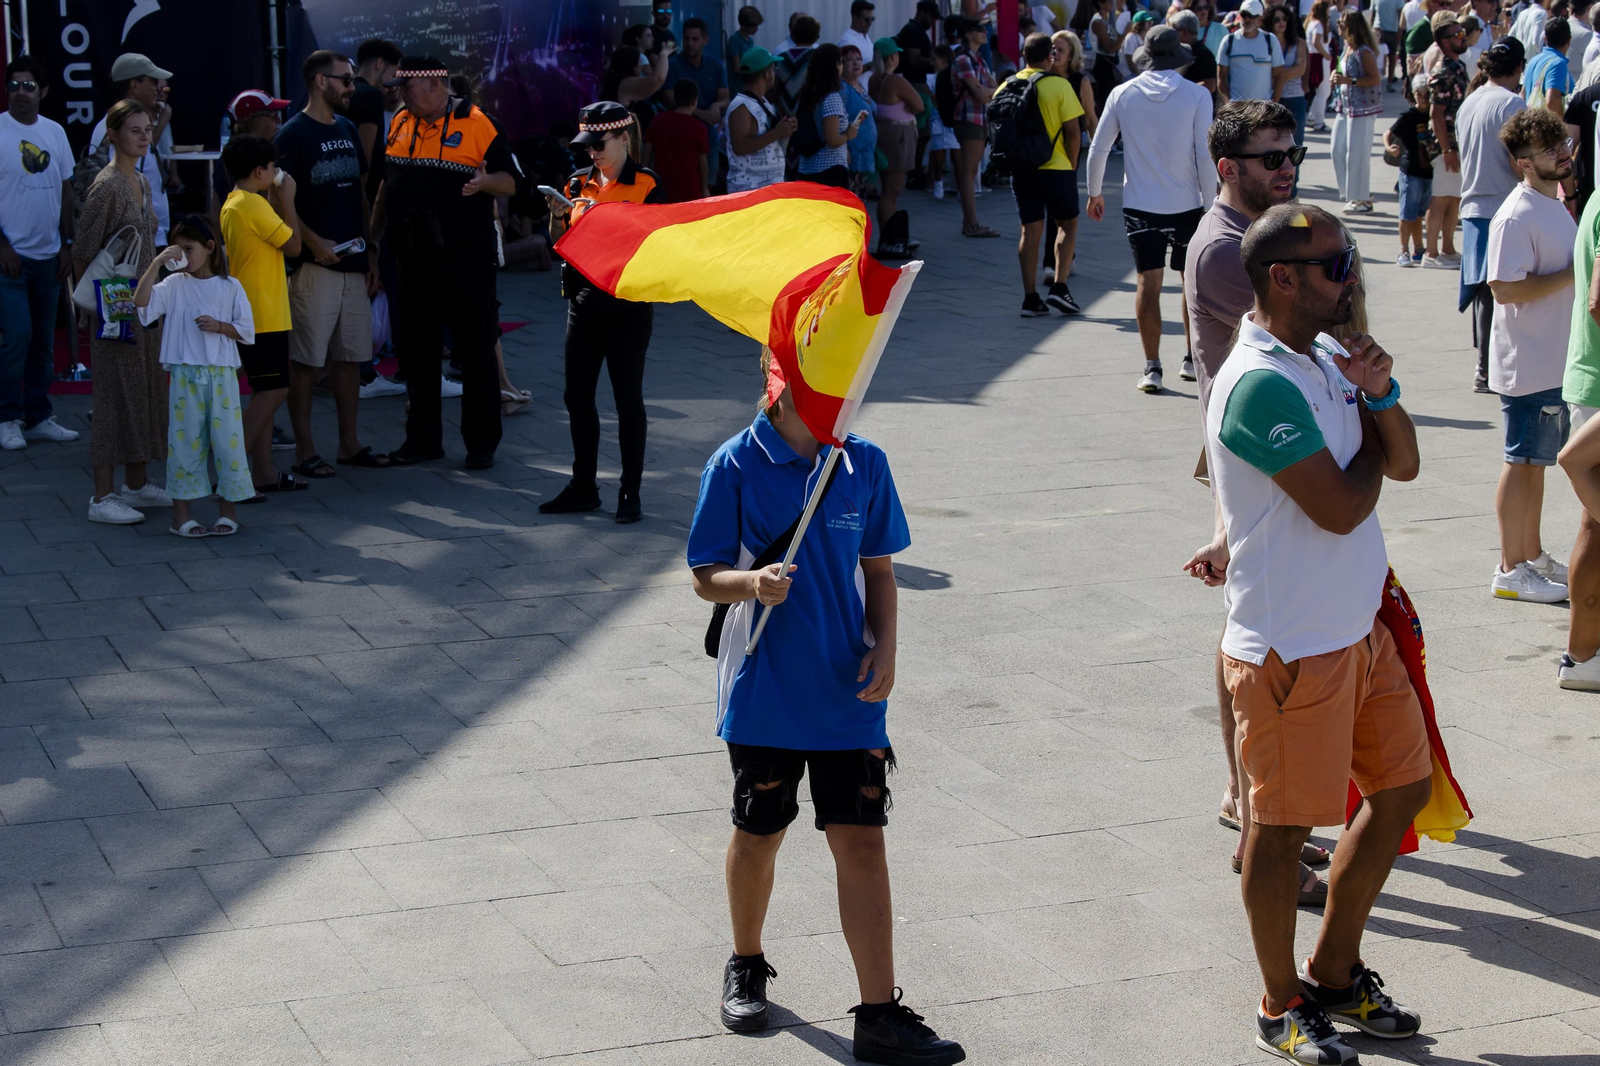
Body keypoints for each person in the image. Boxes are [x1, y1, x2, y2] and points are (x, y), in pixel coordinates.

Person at [689, 351, 964, 1066]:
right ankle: (746, 963)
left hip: (849, 690)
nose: (839, 404)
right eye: (821, 391)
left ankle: (879, 1014)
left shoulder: (862, 462)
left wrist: (887, 647)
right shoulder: (733, 464)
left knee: (863, 841)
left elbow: (881, 571)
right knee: (760, 832)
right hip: (764, 687)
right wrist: (751, 582)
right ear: (779, 391)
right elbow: (705, 576)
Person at [1210, 202, 1428, 1066]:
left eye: (1351, 261)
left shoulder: (1331, 357)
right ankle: (1280, 1003)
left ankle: (1333, 973)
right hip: (1291, 648)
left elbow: (1406, 462)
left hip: (1357, 632)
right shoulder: (1257, 382)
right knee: (1281, 832)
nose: (1352, 279)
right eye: (1337, 266)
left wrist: (1382, 396)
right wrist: (1370, 430)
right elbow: (1341, 509)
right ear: (1283, 278)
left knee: (1402, 791)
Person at [1184, 101, 1329, 900]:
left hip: (1260, 448)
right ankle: (1257, 820)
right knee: (1257, 638)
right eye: (1271, 157)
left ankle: (1249, 800)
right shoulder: (1226, 250)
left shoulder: (1259, 235)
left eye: (1291, 152)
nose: (1287, 167)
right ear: (1227, 167)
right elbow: (1313, 324)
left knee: (1251, 626)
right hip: (1257, 454)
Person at [371, 56, 518, 471]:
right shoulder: (401, 122)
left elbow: (511, 181)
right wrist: (372, 240)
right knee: (417, 351)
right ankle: (422, 439)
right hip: (412, 256)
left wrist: (485, 182)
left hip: (465, 258)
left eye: (407, 87)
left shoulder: (478, 122)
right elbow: (386, 185)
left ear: (435, 84)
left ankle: (481, 443)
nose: (401, 95)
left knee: (475, 349)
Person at [542, 102, 665, 524]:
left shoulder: (647, 183)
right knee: (576, 396)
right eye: (587, 146)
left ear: (623, 139)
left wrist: (611, 222)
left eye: (599, 144)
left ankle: (630, 491)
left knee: (627, 399)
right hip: (583, 300)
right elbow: (558, 244)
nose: (592, 153)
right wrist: (558, 217)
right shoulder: (578, 182)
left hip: (627, 304)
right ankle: (583, 486)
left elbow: (658, 246)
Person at [276, 49, 390, 477]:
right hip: (313, 268)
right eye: (345, 79)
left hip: (354, 264)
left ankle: (349, 444)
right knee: (306, 361)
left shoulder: (346, 128)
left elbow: (359, 191)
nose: (351, 87)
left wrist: (371, 249)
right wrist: (312, 240)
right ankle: (304, 451)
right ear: (320, 81)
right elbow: (278, 202)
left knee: (351, 358)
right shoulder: (291, 135)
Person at [1087, 25, 1217, 393]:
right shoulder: (1197, 95)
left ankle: (1151, 367)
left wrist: (1095, 192)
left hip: (1140, 204)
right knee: (1191, 283)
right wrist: (1212, 205)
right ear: (1178, 56)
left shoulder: (1122, 93)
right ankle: (1191, 359)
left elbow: (1099, 148)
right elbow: (1204, 155)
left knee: (1147, 283)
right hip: (1188, 204)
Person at [1485, 108, 1577, 602]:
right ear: (1524, 163)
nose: (1562, 153)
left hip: (1550, 359)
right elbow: (1503, 287)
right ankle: (1509, 568)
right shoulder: (1516, 214)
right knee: (1520, 463)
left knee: (1535, 465)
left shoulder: (1551, 201)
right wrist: (1575, 274)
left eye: (1563, 143)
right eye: (1550, 149)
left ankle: (1532, 555)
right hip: (1528, 363)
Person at [74, 100, 173, 524]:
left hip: (143, 304)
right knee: (113, 396)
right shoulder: (108, 185)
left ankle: (136, 483)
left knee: (144, 389)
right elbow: (83, 250)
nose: (145, 136)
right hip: (114, 304)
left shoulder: (142, 181)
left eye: (148, 129)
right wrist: (90, 307)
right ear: (113, 135)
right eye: (135, 130)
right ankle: (101, 497)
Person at [132, 217, 254, 537]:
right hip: (185, 374)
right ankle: (181, 516)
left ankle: (228, 512)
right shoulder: (175, 284)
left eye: (189, 249)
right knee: (184, 443)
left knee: (228, 443)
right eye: (179, 250)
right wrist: (157, 262)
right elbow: (141, 302)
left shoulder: (230, 286)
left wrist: (220, 326)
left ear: (210, 247)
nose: (183, 256)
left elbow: (246, 330)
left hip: (222, 374)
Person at [219, 133, 305, 496]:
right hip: (262, 313)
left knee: (263, 390)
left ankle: (263, 472)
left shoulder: (237, 201)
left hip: (256, 310)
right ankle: (231, 470)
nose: (276, 171)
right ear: (259, 171)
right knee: (275, 390)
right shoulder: (252, 205)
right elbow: (294, 245)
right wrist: (288, 200)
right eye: (272, 167)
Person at [0, 56, 78, 452]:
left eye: (28, 86)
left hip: (50, 257)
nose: (20, 93)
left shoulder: (55, 132)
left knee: (43, 344)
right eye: (13, 86)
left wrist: (68, 244)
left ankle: (37, 417)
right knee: (17, 337)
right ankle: (7, 418)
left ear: (43, 91)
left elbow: (66, 190)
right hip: (9, 258)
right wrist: (1, 245)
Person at [1459, 37, 1530, 392]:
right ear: (1519, 68)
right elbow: (1520, 162)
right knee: (1501, 291)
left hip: (1473, 207)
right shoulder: (1512, 103)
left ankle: (1484, 367)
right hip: (1504, 208)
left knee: (1483, 292)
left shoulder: (1470, 101)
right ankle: (1488, 368)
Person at [1003, 32, 1086, 316]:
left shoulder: (1007, 84)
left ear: (1024, 55)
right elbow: (1073, 133)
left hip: (1022, 169)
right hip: (1057, 168)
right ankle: (1060, 287)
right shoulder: (1059, 85)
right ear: (1049, 56)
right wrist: (1072, 166)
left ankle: (1030, 298)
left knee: (1029, 231)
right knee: (1067, 225)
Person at [89, 54, 174, 246]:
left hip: (148, 239)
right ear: (134, 86)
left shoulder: (133, 125)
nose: (158, 88)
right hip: (132, 244)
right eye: (153, 82)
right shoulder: (113, 129)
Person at [869, 37, 926, 258]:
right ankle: (890, 238)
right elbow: (919, 105)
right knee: (891, 192)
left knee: (888, 190)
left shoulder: (874, 78)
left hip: (884, 132)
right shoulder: (894, 80)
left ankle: (892, 235)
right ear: (893, 57)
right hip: (898, 135)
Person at [1423, 12, 1471, 267]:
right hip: (1445, 145)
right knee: (1441, 198)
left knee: (1454, 198)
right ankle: (1431, 253)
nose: (1463, 37)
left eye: (1462, 33)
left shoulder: (1458, 67)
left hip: (1456, 143)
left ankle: (1448, 249)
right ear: (1444, 41)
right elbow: (1436, 114)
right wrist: (1446, 149)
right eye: (1457, 34)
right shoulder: (1443, 72)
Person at [950, 17, 1001, 237]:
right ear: (968, 33)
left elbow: (995, 88)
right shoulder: (964, 59)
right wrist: (986, 91)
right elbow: (981, 94)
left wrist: (986, 90)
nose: (985, 32)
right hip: (968, 118)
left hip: (980, 118)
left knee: (971, 172)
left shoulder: (978, 59)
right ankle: (970, 224)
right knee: (969, 173)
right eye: (980, 30)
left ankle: (971, 222)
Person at [1330, 9, 1384, 213]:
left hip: (1362, 109)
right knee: (1337, 149)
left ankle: (1361, 198)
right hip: (1345, 106)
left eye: (1342, 23)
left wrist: (1348, 80)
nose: (1338, 26)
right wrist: (1336, 74)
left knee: (1357, 154)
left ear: (1351, 27)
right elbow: (1344, 70)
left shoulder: (1364, 51)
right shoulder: (1347, 48)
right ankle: (1352, 192)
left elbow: (1375, 78)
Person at [795, 44, 866, 190]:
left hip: (807, 168)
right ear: (835, 65)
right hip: (829, 170)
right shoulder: (831, 97)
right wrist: (849, 134)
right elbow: (832, 139)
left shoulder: (808, 94)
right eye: (841, 62)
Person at [725, 50, 796, 195]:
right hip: (749, 191)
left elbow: (767, 136)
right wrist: (776, 133)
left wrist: (786, 128)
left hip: (768, 189)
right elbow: (740, 146)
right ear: (766, 74)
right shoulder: (741, 107)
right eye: (773, 69)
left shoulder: (762, 102)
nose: (775, 74)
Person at [668, 17, 730, 178]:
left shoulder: (715, 65)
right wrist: (700, 113)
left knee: (709, 180)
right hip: (679, 133)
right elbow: (668, 98)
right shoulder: (673, 64)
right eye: (686, 39)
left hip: (708, 133)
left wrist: (716, 106)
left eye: (695, 39)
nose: (690, 43)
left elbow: (725, 98)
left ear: (705, 40)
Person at [1387, 75, 1438, 266]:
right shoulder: (1409, 116)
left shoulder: (1434, 114)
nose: (1423, 99)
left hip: (1429, 171)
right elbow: (1388, 133)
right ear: (1413, 95)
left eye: (1427, 94)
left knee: (1418, 214)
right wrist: (1389, 147)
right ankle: (1403, 251)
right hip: (1411, 172)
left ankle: (1418, 248)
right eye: (1419, 94)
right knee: (1407, 214)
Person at [645, 79, 710, 201]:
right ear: (695, 101)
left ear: (675, 99)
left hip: (662, 190)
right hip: (690, 192)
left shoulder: (658, 121)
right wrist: (704, 188)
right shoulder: (699, 128)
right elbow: (703, 164)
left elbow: (647, 155)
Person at [1268, 4, 1309, 195]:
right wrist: (1283, 73)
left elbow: (1300, 70)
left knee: (1295, 146)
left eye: (1284, 19)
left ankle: (1293, 190)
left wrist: (1277, 74)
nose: (1281, 23)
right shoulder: (1266, 42)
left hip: (1295, 98)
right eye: (1276, 19)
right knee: (1272, 147)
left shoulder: (1299, 43)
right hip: (1271, 98)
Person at [1219, 0, 1287, 102]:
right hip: (1238, 107)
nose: (1247, 19)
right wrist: (1229, 105)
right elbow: (1221, 77)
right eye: (1244, 15)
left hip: (1263, 107)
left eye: (1252, 16)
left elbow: (1279, 76)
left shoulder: (1270, 40)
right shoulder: (1228, 41)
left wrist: (1274, 104)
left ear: (1260, 19)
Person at [1563, 42, 1600, 211]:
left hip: (1591, 195)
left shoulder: (1585, 98)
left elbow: (1564, 152)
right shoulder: (1583, 99)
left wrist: (1571, 196)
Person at [839, 46, 880, 198]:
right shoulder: (841, 88)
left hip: (864, 154)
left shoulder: (858, 85)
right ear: (841, 64)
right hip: (852, 154)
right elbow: (837, 120)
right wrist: (844, 148)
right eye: (850, 60)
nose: (856, 63)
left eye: (859, 59)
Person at [1524, 15, 1576, 110]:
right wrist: (1562, 120)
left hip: (1529, 117)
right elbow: (1552, 101)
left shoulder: (1533, 61)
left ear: (1545, 39)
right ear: (1569, 40)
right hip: (1546, 119)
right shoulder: (1558, 63)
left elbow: (1523, 94)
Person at [1174, 10, 1221, 97]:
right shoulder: (1183, 52)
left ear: (1185, 32)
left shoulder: (1203, 55)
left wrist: (1181, 92)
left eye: (1174, 31)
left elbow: (1210, 85)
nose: (1172, 35)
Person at [1305, 2, 1335, 130]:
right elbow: (1316, 42)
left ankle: (1311, 117)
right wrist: (1326, 55)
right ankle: (1319, 121)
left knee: (1320, 91)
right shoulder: (1318, 24)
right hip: (1320, 59)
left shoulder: (1311, 22)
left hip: (1314, 58)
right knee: (1324, 91)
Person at [840, 1, 880, 91]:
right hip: (854, 92)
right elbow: (845, 71)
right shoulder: (847, 41)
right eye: (866, 19)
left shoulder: (865, 37)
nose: (870, 23)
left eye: (872, 19)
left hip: (867, 92)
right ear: (854, 18)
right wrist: (871, 65)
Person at [897, 1, 943, 78]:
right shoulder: (914, 30)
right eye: (932, 17)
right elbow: (913, 59)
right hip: (914, 81)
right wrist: (934, 61)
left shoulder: (917, 30)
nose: (933, 21)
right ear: (922, 13)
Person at [726, 5, 764, 96]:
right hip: (737, 88)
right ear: (745, 25)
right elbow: (737, 68)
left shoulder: (750, 41)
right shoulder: (735, 40)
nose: (757, 29)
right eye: (754, 26)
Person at [1380, 0, 1408, 84]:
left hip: (1392, 31)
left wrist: (1399, 31)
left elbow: (1401, 15)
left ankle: (1390, 79)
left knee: (1392, 56)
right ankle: (1379, 77)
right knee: (1378, 56)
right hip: (1378, 29)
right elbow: (1373, 13)